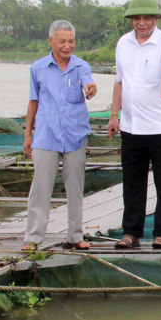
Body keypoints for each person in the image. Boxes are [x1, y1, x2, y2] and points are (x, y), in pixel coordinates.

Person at [107, 0, 161, 250]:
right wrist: (114, 114)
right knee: (132, 183)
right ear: (131, 21)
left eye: (146, 18)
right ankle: (131, 233)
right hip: (131, 126)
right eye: (136, 18)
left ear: (155, 19)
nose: (141, 23)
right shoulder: (123, 44)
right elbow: (119, 81)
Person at [22, 20, 97, 251]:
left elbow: (88, 83)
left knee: (75, 188)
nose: (67, 46)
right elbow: (33, 101)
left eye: (71, 41)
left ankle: (75, 236)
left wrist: (90, 88)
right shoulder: (38, 68)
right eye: (62, 41)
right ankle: (33, 238)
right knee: (40, 188)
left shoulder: (81, 66)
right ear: (51, 41)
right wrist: (28, 135)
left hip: (75, 136)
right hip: (46, 136)